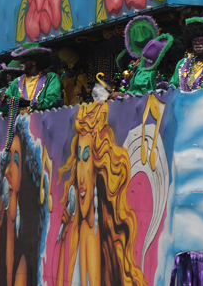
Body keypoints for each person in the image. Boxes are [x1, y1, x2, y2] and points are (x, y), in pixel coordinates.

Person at [55, 101, 146, 286]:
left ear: (97, 166)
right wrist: (64, 234)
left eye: (86, 157)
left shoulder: (95, 235)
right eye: (78, 158)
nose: (81, 175)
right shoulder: (79, 230)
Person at [0, 116, 48, 286]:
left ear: (24, 175)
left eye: (15, 162)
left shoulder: (24, 244)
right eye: (8, 161)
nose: (8, 171)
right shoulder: (3, 226)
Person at [3, 42, 62, 111]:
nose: (20, 63)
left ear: (34, 62)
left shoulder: (51, 78)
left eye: (23, 60)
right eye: (20, 60)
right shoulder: (16, 82)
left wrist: (30, 103)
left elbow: (53, 99)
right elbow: (6, 106)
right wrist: (2, 100)